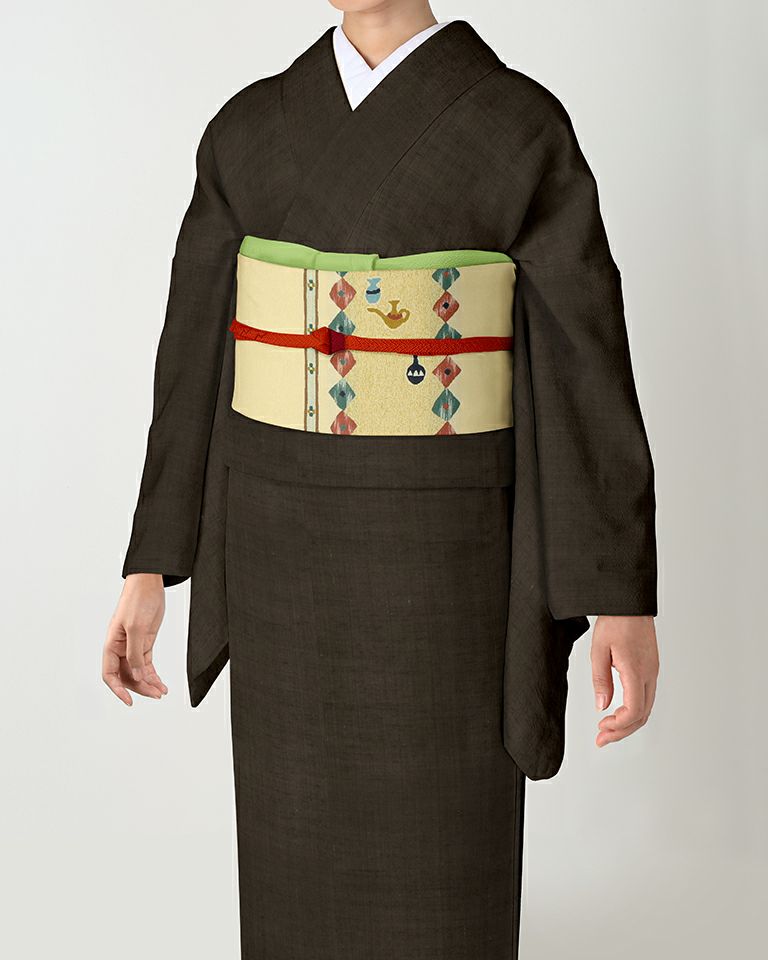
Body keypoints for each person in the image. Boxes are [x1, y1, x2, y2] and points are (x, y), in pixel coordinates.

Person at [103, 2, 659, 957]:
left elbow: (585, 360)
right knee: (292, 868)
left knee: (443, 865)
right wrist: (151, 563)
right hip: (279, 552)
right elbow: (192, 354)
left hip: (449, 560)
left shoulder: (518, 126)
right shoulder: (248, 129)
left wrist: (620, 595)